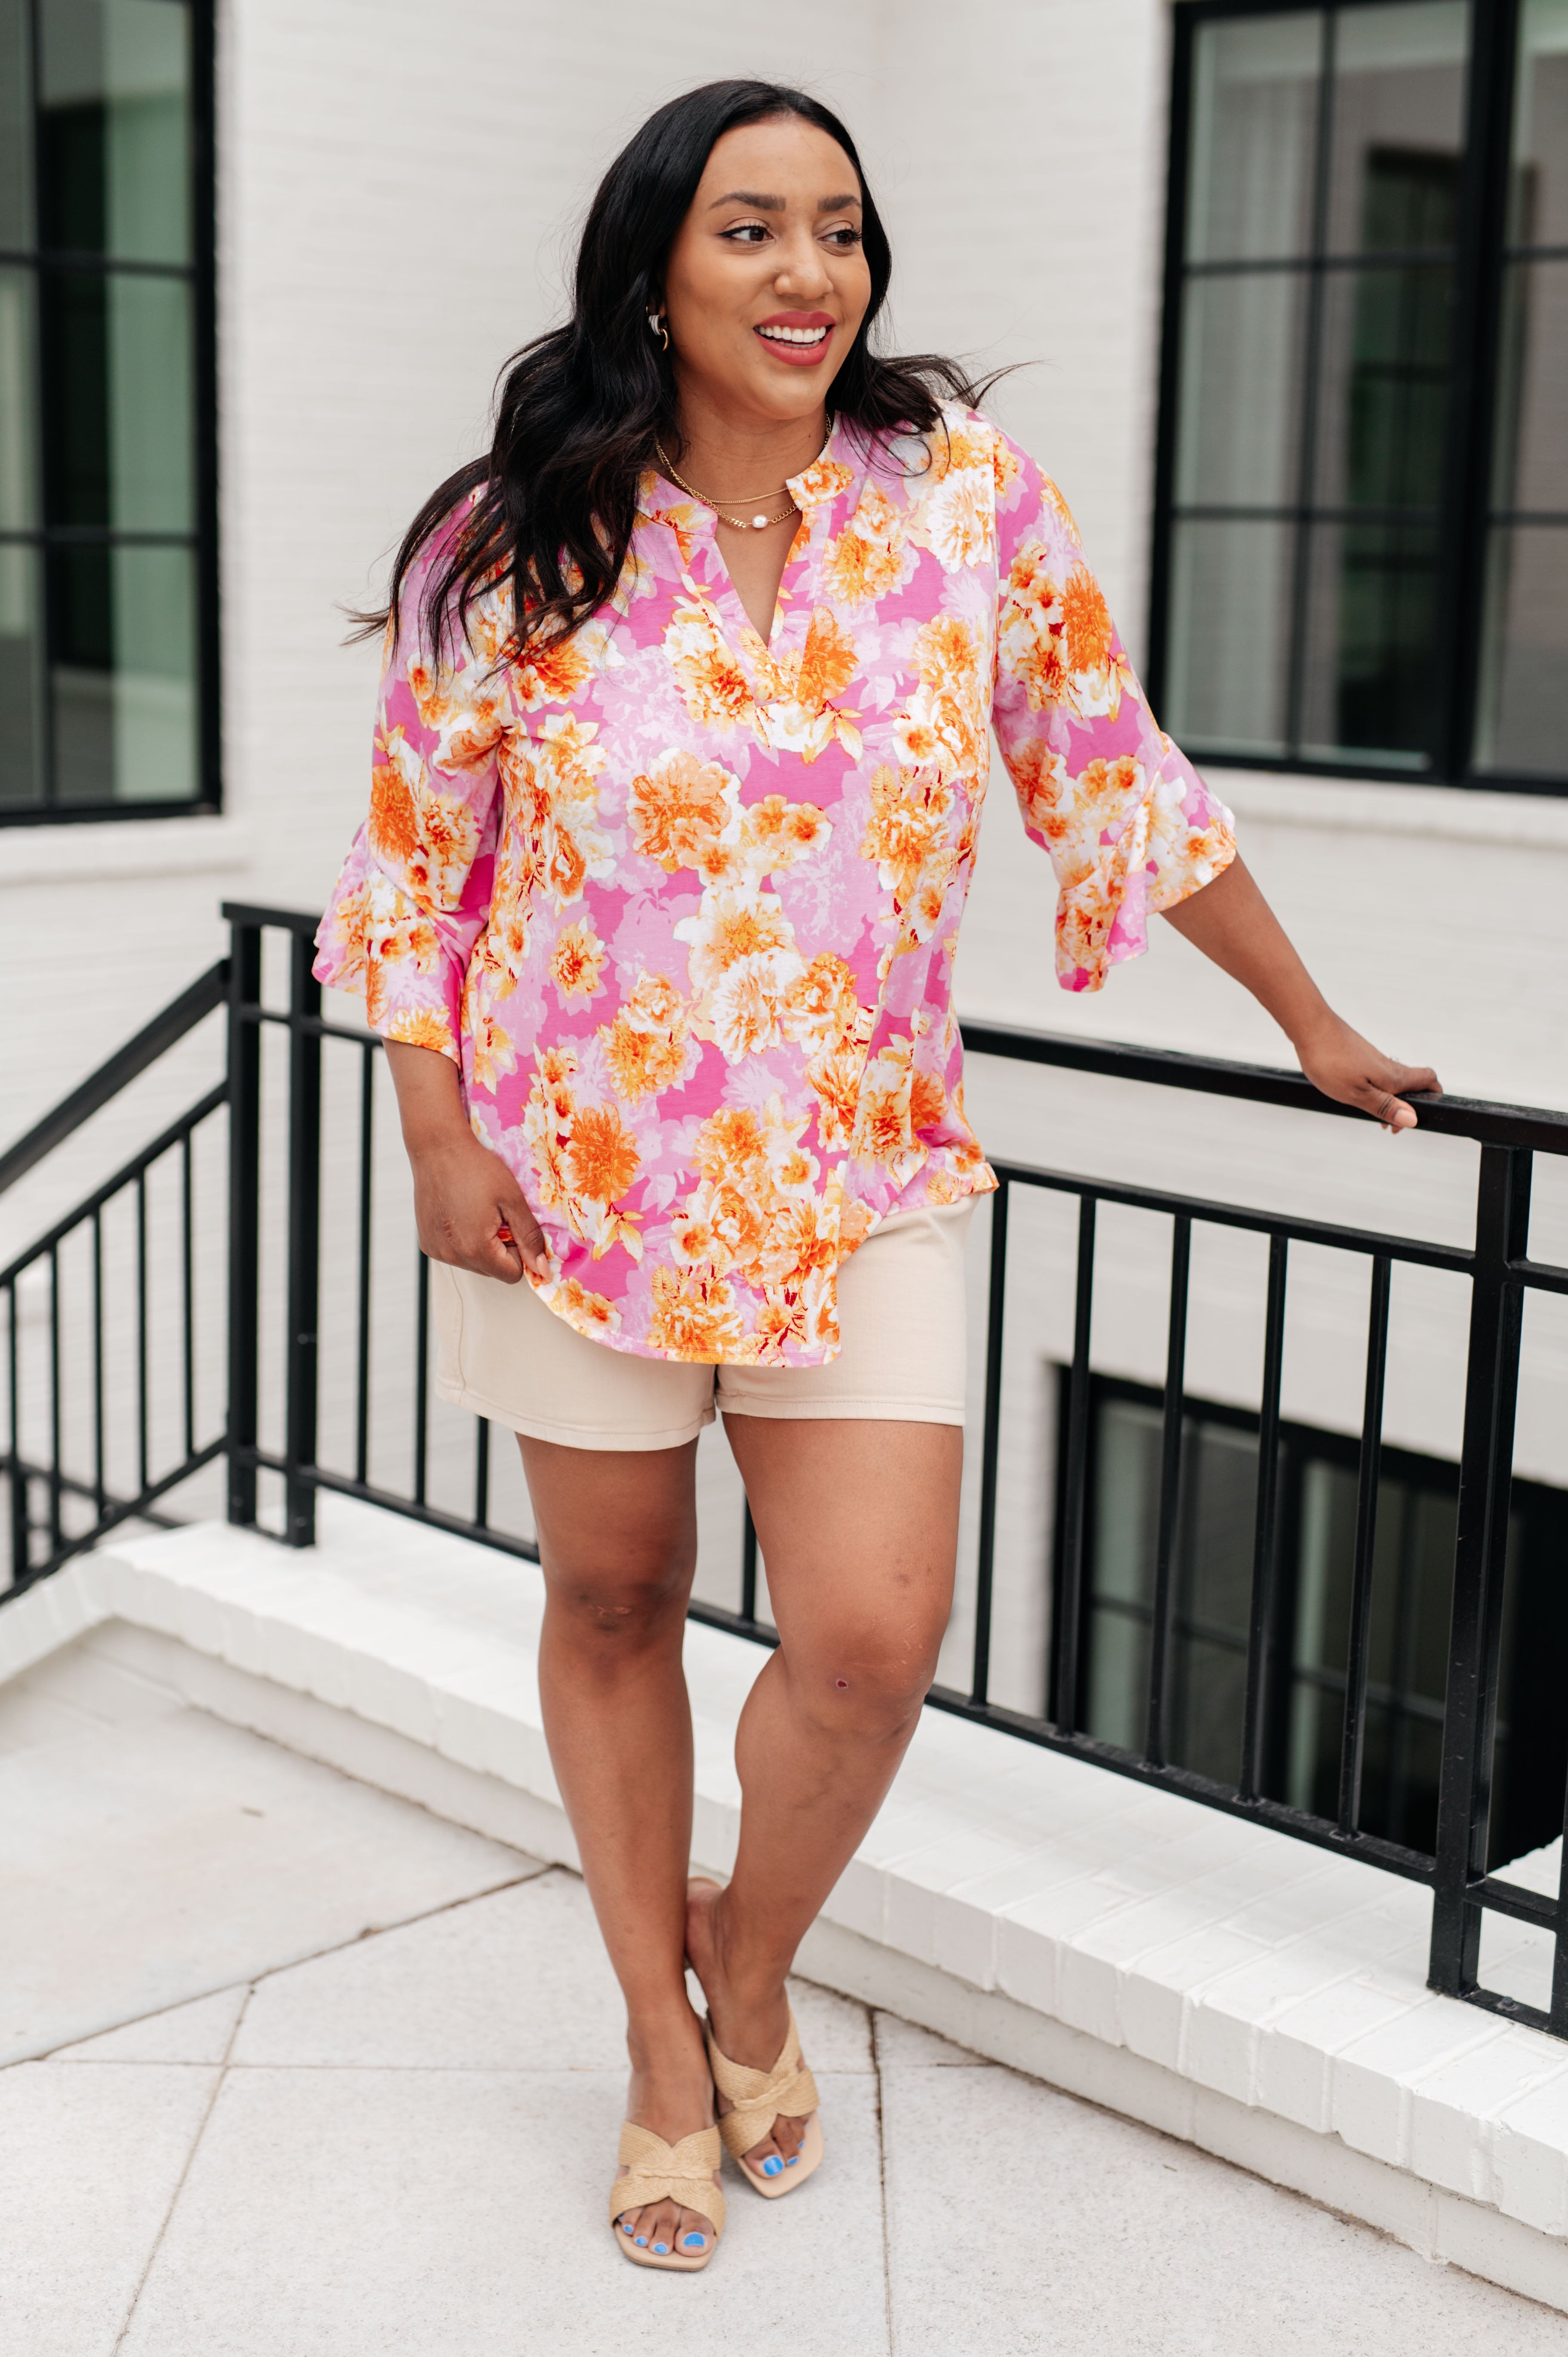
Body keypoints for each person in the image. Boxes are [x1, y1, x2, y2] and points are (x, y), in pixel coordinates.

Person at [315, 80, 1439, 2274]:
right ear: (655, 265)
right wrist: (434, 1132)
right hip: (571, 1173)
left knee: (870, 1637)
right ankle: (664, 2051)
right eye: (749, 228)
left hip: (863, 1169)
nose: (806, 271)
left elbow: (1110, 768)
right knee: (615, 1601)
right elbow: (412, 860)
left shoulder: (962, 503)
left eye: (837, 226)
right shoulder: (516, 535)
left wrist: (1308, 1020)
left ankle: (744, 1961)